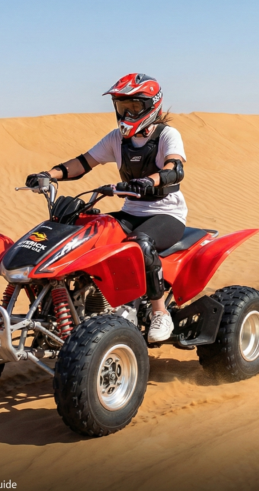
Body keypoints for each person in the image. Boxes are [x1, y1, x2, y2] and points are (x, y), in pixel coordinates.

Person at [24, 73, 186, 342]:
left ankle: (160, 314)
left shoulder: (167, 135)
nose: (126, 113)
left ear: (151, 106)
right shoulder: (116, 139)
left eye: (133, 107)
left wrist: (149, 181)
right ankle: (80, 305)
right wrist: (49, 174)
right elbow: (83, 163)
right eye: (122, 108)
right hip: (130, 213)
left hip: (166, 213)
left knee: (140, 244)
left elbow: (175, 168)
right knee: (86, 232)